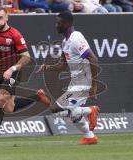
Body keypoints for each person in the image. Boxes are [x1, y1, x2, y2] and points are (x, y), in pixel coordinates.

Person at [0, 7, 51, 147]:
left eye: (0, 18)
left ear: (7, 18)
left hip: (14, 73)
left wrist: (12, 68)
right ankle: (37, 96)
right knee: (9, 108)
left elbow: (26, 57)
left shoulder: (15, 35)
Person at [37, 11, 100, 145]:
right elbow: (62, 65)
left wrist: (93, 85)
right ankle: (90, 137)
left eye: (58, 23)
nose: (56, 26)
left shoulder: (76, 38)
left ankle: (90, 111)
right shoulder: (66, 42)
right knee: (72, 114)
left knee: (55, 109)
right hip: (76, 82)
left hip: (83, 82)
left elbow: (93, 59)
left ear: (67, 24)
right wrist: (47, 67)